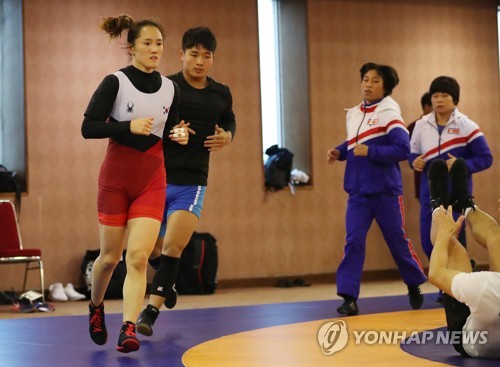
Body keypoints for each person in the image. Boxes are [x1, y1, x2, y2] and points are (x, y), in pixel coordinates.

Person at [81, 14, 188, 353]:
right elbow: (89, 127)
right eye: (148, 43)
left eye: (159, 44)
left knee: (138, 257)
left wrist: (180, 135)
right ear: (132, 47)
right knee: (110, 258)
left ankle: (128, 328)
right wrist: (126, 127)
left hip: (151, 180)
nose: (155, 49)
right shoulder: (115, 82)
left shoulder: (171, 88)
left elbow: (170, 132)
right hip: (115, 180)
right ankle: (96, 306)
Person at [135, 26, 236, 336]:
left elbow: (228, 118)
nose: (200, 61)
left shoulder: (221, 92)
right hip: (156, 178)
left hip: (192, 182)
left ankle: (150, 312)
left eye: (207, 56)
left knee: (174, 248)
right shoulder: (166, 87)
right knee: (148, 248)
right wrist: (170, 133)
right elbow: (149, 126)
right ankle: (168, 279)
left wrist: (227, 136)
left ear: (213, 59)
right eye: (194, 54)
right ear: (181, 55)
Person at [327, 62, 427, 316]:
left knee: (397, 241)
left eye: (374, 81)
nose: (368, 85)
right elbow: (354, 142)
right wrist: (340, 151)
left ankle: (414, 282)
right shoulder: (355, 113)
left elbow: (402, 150)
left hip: (385, 192)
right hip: (358, 192)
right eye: (365, 80)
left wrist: (371, 152)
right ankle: (349, 297)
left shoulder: (390, 112)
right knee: (354, 241)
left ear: (386, 87)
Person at [409, 76, 492, 260]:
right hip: (428, 193)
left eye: (444, 95)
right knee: (428, 241)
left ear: (454, 99)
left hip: (456, 192)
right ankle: (456, 277)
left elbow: (486, 158)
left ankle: (452, 287)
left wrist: (462, 164)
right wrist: (414, 162)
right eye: (435, 95)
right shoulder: (421, 125)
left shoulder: (467, 126)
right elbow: (412, 154)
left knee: (452, 239)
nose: (438, 100)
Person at [428, 158, 500, 358]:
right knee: (496, 237)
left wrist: (444, 235)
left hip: (468, 337)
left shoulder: (486, 286)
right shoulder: (489, 287)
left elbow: (436, 274)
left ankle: (438, 208)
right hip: (491, 306)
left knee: (451, 247)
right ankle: (465, 206)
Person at [406, 92, 432, 200]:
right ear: (426, 107)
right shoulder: (413, 127)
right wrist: (414, 161)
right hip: (423, 178)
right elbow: (409, 153)